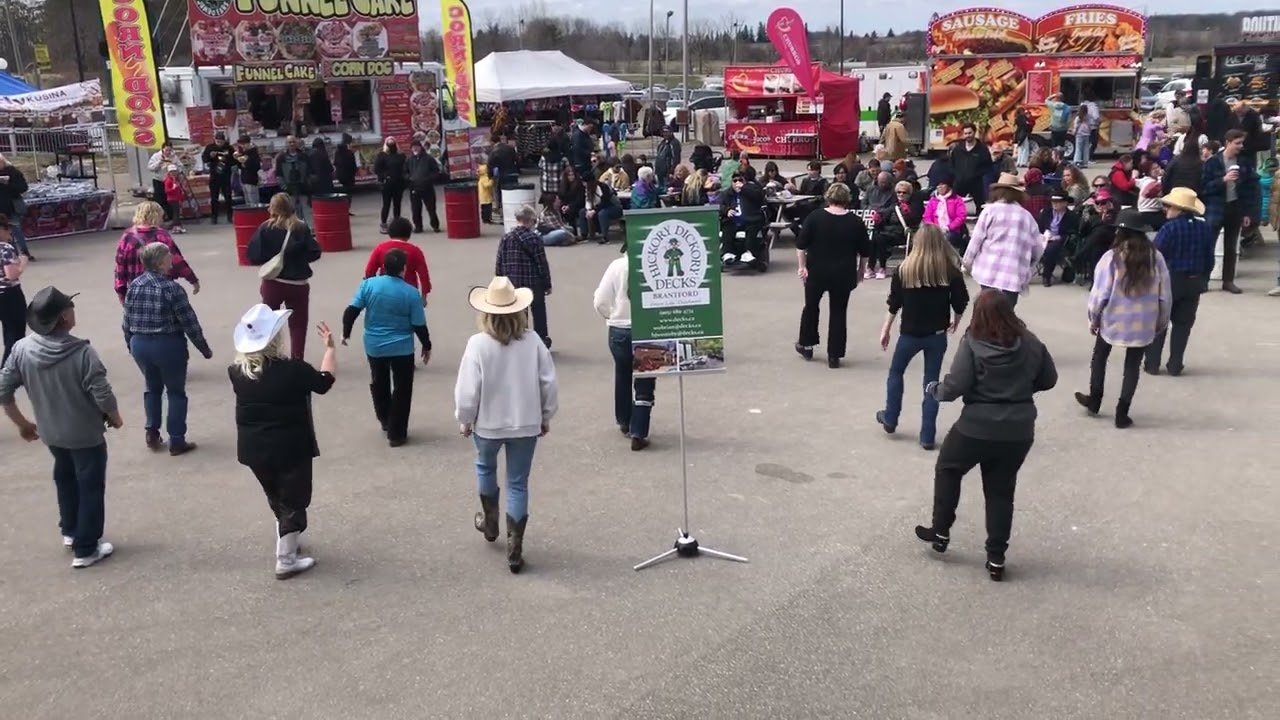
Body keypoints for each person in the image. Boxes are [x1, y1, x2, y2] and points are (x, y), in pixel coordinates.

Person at [913, 289, 1058, 582]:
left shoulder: (972, 343)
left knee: (949, 468)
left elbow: (955, 386)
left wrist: (935, 390)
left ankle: (940, 530)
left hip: (976, 428)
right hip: (1018, 430)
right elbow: (1049, 379)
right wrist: (1022, 390)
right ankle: (996, 558)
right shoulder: (1031, 342)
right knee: (1000, 492)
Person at [0, 286, 122, 567]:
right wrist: (114, 415)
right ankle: (86, 547)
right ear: (64, 318)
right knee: (90, 485)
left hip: (50, 432)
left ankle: (70, 530)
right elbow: (101, 392)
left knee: (65, 478)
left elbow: (3, 390)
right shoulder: (83, 353)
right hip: (85, 433)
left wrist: (22, 424)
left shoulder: (22, 348)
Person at [455, 276, 559, 574]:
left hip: (488, 424)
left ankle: (490, 523)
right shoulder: (533, 342)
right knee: (518, 482)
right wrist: (546, 415)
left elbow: (467, 390)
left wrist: (465, 419)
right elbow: (548, 383)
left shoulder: (477, 344)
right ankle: (515, 543)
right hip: (526, 422)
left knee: (485, 467)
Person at [229, 304, 337, 580]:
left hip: (254, 448)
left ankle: (288, 538)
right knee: (296, 498)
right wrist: (329, 349)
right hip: (290, 446)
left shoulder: (237, 372)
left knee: (276, 494)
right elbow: (324, 382)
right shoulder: (292, 370)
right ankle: (286, 558)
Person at [1075, 209, 1171, 429]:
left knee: (1099, 357)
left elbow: (1099, 294)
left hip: (1114, 319)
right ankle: (1122, 412)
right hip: (1144, 321)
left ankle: (1094, 401)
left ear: (1120, 231)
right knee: (1132, 365)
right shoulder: (1156, 257)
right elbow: (1165, 295)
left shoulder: (1112, 258)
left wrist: (1094, 318)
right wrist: (1162, 321)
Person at [876, 224, 969, 449]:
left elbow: (894, 302)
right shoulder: (949, 271)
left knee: (896, 373)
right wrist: (955, 320)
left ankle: (891, 417)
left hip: (909, 333)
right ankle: (927, 435)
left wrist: (886, 328)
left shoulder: (904, 269)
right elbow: (961, 300)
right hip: (936, 335)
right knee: (932, 382)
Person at [123, 242, 213, 455]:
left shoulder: (134, 285)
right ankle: (177, 440)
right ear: (162, 262)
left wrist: (130, 344)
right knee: (175, 392)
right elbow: (189, 321)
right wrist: (204, 348)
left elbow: (126, 321)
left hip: (140, 342)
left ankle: (151, 431)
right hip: (168, 344)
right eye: (169, 256)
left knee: (151, 388)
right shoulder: (172, 288)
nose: (172, 259)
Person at [343, 248, 432, 447]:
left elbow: (351, 311)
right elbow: (419, 324)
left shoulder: (368, 285)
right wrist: (426, 346)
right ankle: (397, 433)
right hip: (402, 347)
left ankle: (384, 418)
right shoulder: (410, 293)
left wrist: (346, 332)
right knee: (402, 388)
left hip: (374, 344)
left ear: (383, 267)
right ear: (403, 269)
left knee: (378, 380)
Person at [794, 183, 871, 369]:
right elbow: (865, 251)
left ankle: (806, 344)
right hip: (843, 273)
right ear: (847, 199)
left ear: (828, 197)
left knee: (811, 307)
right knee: (839, 311)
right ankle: (834, 355)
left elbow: (801, 245)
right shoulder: (855, 221)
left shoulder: (815, 217)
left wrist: (802, 267)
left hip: (817, 271)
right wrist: (861, 271)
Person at [594, 243, 657, 450]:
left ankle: (624, 420)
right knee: (645, 380)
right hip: (647, 328)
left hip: (620, 329)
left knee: (622, 374)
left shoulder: (616, 266)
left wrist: (611, 316)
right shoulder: (654, 266)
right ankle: (638, 430)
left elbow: (600, 300)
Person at [246, 193, 323, 360]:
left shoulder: (265, 228)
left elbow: (252, 254)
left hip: (274, 282)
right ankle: (297, 359)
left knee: (268, 323)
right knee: (298, 325)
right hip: (298, 284)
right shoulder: (301, 228)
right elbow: (315, 252)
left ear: (272, 208)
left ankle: (269, 357)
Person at [1145, 189, 1213, 376]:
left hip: (1171, 279)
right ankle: (1175, 364)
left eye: (1169, 206)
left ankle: (1152, 363)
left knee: (1160, 322)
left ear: (1179, 209)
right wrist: (1204, 279)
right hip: (1194, 280)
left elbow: (1155, 254)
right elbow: (1209, 257)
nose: (1165, 209)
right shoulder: (1204, 226)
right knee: (1183, 325)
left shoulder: (1170, 228)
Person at [963, 173, 1043, 307]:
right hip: (1013, 274)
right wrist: (1030, 264)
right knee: (1007, 315)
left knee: (987, 310)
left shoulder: (990, 211)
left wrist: (967, 263)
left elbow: (976, 240)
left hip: (988, 270)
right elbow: (1038, 248)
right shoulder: (1026, 216)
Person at [113, 202, 200, 322]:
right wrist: (193, 279)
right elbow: (177, 261)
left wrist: (121, 293)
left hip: (136, 291)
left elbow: (120, 267)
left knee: (140, 325)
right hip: (161, 290)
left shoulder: (127, 237)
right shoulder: (161, 235)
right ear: (156, 216)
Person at [1201, 129, 1260, 294]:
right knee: (1209, 245)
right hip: (1215, 208)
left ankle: (1228, 281)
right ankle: (1204, 280)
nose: (1240, 146)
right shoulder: (1212, 162)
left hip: (1235, 207)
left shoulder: (1244, 162)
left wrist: (1248, 213)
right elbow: (1203, 188)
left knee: (1231, 246)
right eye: (1237, 143)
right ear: (1227, 142)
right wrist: (1223, 180)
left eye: (1242, 143)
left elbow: (1251, 189)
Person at [495, 205, 553, 347]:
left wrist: (499, 281)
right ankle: (541, 340)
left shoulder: (506, 238)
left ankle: (520, 339)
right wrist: (547, 284)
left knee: (519, 313)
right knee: (539, 311)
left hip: (512, 283)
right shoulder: (534, 239)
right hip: (533, 283)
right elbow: (541, 264)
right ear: (529, 220)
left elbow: (499, 262)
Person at [364, 217, 431, 304]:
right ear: (409, 233)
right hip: (409, 292)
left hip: (384, 291)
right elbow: (424, 275)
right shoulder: (415, 250)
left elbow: (370, 271)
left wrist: (371, 290)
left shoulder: (380, 248)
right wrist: (424, 296)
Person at [719, 170, 767, 271]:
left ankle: (749, 252)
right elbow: (720, 205)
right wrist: (727, 210)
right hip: (733, 220)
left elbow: (759, 197)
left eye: (740, 180)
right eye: (735, 180)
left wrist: (743, 188)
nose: (737, 182)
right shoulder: (726, 193)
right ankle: (728, 253)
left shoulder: (752, 189)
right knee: (727, 227)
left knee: (752, 228)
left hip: (750, 219)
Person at [1037, 190, 1081, 287]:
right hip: (1044, 237)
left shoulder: (1072, 216)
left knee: (1051, 249)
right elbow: (1039, 227)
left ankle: (1046, 276)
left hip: (1060, 239)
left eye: (1058, 202)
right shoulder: (1046, 212)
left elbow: (1073, 232)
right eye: (1053, 201)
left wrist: (1058, 237)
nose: (1055, 204)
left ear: (1065, 203)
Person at [0, 214, 27, 362]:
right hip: (9, 294)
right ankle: (8, 367)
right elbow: (11, 275)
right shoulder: (5, 248)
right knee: (16, 333)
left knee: (8, 330)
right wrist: (22, 263)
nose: (9, 233)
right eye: (7, 229)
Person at [950, 123, 993, 213]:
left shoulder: (982, 149)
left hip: (976, 183)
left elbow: (988, 165)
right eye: (965, 133)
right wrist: (956, 176)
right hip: (959, 182)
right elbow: (952, 164)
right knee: (953, 205)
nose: (967, 135)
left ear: (974, 132)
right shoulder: (957, 149)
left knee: (980, 206)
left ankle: (981, 223)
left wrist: (979, 175)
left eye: (970, 133)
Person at [571, 172, 623, 243]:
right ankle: (584, 235)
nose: (583, 184)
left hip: (612, 207)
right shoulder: (588, 189)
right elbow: (588, 200)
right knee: (582, 212)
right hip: (598, 207)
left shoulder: (602, 187)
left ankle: (605, 236)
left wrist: (594, 210)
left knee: (603, 214)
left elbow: (605, 202)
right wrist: (588, 210)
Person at [923, 174, 969, 252]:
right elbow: (927, 216)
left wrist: (948, 227)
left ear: (948, 186)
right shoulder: (933, 200)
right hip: (935, 230)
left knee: (946, 238)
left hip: (952, 231)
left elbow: (961, 217)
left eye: (942, 185)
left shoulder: (957, 200)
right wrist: (934, 228)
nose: (940, 187)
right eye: (938, 185)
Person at [406, 139, 442, 233]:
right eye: (413, 147)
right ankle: (418, 227)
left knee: (431, 208)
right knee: (415, 209)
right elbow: (404, 172)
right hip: (414, 188)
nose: (415, 148)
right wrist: (410, 178)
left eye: (417, 146)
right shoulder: (409, 160)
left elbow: (436, 171)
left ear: (420, 147)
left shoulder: (428, 158)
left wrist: (428, 179)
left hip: (427, 187)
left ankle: (435, 225)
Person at [202, 131, 238, 224]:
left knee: (228, 197)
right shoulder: (210, 147)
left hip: (226, 175)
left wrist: (230, 158)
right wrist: (210, 156)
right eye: (218, 141)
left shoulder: (229, 148)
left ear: (224, 141)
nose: (219, 143)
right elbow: (204, 159)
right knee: (214, 197)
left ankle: (230, 216)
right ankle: (214, 217)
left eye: (221, 142)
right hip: (214, 175)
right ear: (215, 140)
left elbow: (234, 161)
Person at [274, 136, 312, 224]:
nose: (292, 144)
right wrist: (284, 187)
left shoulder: (304, 156)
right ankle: (293, 228)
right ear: (286, 144)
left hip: (303, 188)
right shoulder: (281, 158)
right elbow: (279, 174)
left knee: (306, 210)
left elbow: (309, 172)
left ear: (297, 143)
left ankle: (309, 229)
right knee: (290, 211)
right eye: (289, 142)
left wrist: (308, 183)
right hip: (289, 189)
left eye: (293, 142)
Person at [373, 137, 408, 233]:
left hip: (399, 184)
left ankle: (397, 224)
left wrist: (405, 180)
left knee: (397, 204)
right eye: (389, 144)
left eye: (393, 144)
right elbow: (376, 169)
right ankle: (384, 224)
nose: (391, 146)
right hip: (386, 185)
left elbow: (405, 169)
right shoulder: (382, 155)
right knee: (386, 204)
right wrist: (385, 176)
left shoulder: (401, 156)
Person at [147, 140, 179, 224]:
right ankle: (162, 216)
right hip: (158, 179)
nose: (168, 152)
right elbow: (150, 167)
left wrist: (174, 168)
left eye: (169, 150)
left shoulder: (174, 157)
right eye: (166, 150)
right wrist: (159, 162)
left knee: (170, 199)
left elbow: (180, 166)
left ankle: (171, 217)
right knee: (159, 199)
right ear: (162, 149)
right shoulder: (156, 156)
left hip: (169, 180)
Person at [234, 136, 262, 205]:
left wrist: (246, 162)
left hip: (251, 180)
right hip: (244, 179)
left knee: (253, 201)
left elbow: (257, 166)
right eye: (241, 144)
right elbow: (240, 166)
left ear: (248, 143)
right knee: (247, 202)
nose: (242, 146)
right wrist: (238, 160)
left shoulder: (253, 152)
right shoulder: (243, 153)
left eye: (244, 144)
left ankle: (256, 214)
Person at [163, 165, 188, 234]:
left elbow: (178, 188)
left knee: (177, 213)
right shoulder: (168, 180)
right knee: (176, 213)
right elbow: (166, 191)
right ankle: (175, 227)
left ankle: (178, 226)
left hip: (177, 198)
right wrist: (173, 188)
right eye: (172, 172)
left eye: (175, 171)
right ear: (169, 172)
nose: (174, 173)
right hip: (172, 199)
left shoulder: (175, 179)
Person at [334, 133, 357, 200]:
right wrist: (353, 173)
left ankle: (345, 205)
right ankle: (347, 206)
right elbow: (353, 166)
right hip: (349, 176)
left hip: (340, 175)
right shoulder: (349, 153)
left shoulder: (337, 152)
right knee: (349, 194)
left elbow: (335, 163)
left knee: (345, 192)